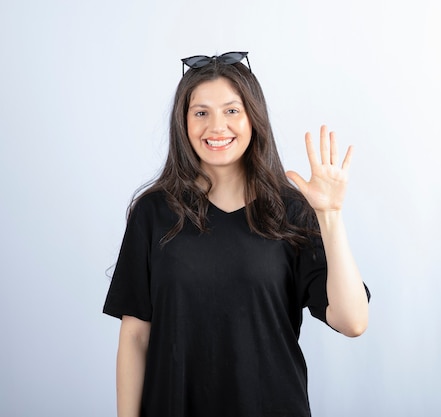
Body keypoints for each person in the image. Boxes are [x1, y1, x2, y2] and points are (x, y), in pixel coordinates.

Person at [103, 51, 370, 417]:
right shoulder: (153, 212)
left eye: (232, 110)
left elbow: (353, 321)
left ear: (253, 119)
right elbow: (135, 337)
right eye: (201, 112)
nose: (216, 127)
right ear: (183, 123)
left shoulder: (291, 210)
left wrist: (330, 215)